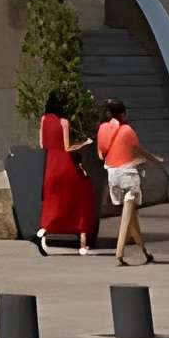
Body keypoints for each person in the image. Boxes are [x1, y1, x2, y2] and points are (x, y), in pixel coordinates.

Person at [97, 96, 165, 265]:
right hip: (128, 175)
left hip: (112, 174)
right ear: (122, 114)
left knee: (131, 215)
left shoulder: (103, 129)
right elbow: (138, 150)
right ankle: (119, 252)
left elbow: (101, 153)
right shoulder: (127, 130)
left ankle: (144, 251)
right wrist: (155, 160)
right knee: (128, 214)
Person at [35, 90, 97, 255]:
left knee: (52, 200)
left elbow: (42, 144)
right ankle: (83, 244)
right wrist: (84, 143)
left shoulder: (43, 120)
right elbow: (67, 147)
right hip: (64, 164)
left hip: (49, 164)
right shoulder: (64, 122)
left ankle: (45, 228)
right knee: (80, 196)